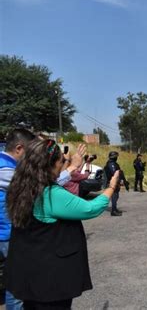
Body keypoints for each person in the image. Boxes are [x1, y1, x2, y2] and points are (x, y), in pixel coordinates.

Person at [4, 139, 120, 309]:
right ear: (49, 165)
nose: (63, 166)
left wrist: (73, 165)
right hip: (50, 281)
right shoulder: (51, 194)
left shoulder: (20, 187)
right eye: (61, 161)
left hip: (28, 274)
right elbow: (90, 209)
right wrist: (111, 187)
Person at [0, 129, 36, 310]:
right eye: (30, 153)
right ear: (19, 149)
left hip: (6, 230)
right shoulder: (4, 168)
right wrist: (68, 170)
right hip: (6, 233)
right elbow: (34, 188)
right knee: (17, 284)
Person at [104, 151, 129, 216]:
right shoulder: (111, 164)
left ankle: (115, 208)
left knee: (116, 196)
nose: (117, 158)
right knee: (114, 196)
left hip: (115, 182)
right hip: (113, 182)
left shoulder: (113, 163)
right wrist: (120, 180)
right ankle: (113, 211)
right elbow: (114, 173)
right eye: (116, 156)